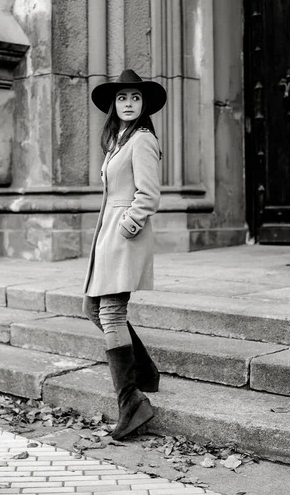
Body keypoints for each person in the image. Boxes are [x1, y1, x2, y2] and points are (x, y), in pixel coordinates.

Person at [83, 68, 167, 440]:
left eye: (135, 98)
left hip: (123, 234)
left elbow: (148, 194)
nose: (129, 103)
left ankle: (131, 402)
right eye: (122, 98)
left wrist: (127, 225)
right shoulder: (119, 139)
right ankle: (145, 372)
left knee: (111, 311)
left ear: (143, 103)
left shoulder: (143, 139)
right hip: (108, 233)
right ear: (113, 106)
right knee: (91, 308)